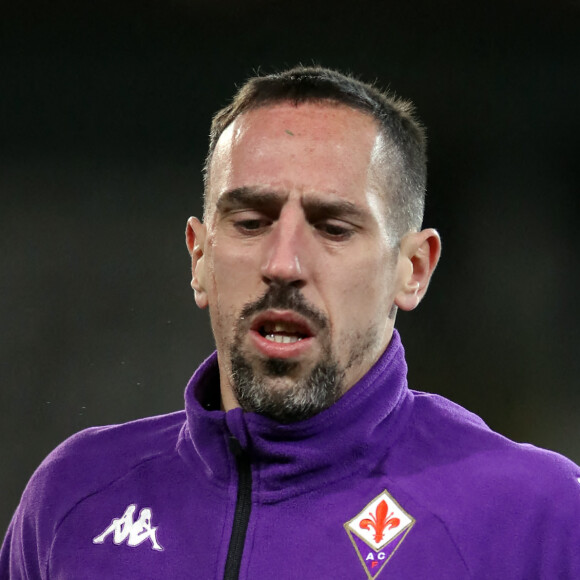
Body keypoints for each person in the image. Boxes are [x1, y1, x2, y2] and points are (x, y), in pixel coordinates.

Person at [2, 66, 579, 580]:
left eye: (333, 227)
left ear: (413, 270)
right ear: (199, 258)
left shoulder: (536, 521)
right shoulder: (74, 498)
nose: (283, 264)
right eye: (251, 222)